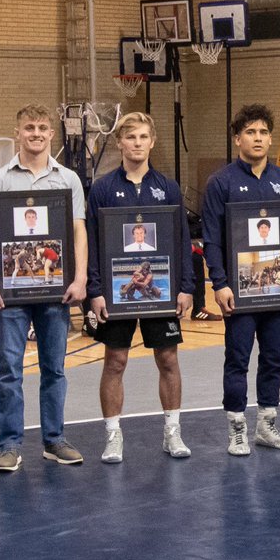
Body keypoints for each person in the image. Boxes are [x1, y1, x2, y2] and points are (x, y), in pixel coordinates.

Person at [203, 104, 280, 455]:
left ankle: (267, 425)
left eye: (263, 132)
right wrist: (219, 283)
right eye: (250, 132)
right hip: (240, 292)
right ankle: (236, 428)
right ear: (237, 138)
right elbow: (212, 239)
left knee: (274, 357)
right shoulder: (221, 182)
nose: (258, 138)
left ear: (270, 138)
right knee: (237, 358)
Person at [0, 103, 88, 472]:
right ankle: (9, 444)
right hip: (10, 293)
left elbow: (77, 230)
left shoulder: (68, 179)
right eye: (29, 127)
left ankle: (54, 440)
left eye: (43, 128)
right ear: (18, 132)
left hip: (55, 290)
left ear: (52, 134)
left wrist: (79, 278)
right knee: (9, 369)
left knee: (54, 369)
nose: (37, 133)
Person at [86, 112, 194, 464]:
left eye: (143, 137)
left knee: (168, 359)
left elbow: (181, 241)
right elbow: (91, 242)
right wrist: (95, 290)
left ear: (152, 141)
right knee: (115, 361)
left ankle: (172, 432)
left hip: (161, 290)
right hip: (115, 292)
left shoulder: (168, 188)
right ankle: (113, 435)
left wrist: (186, 287)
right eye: (130, 137)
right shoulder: (102, 188)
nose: (137, 143)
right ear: (119, 143)